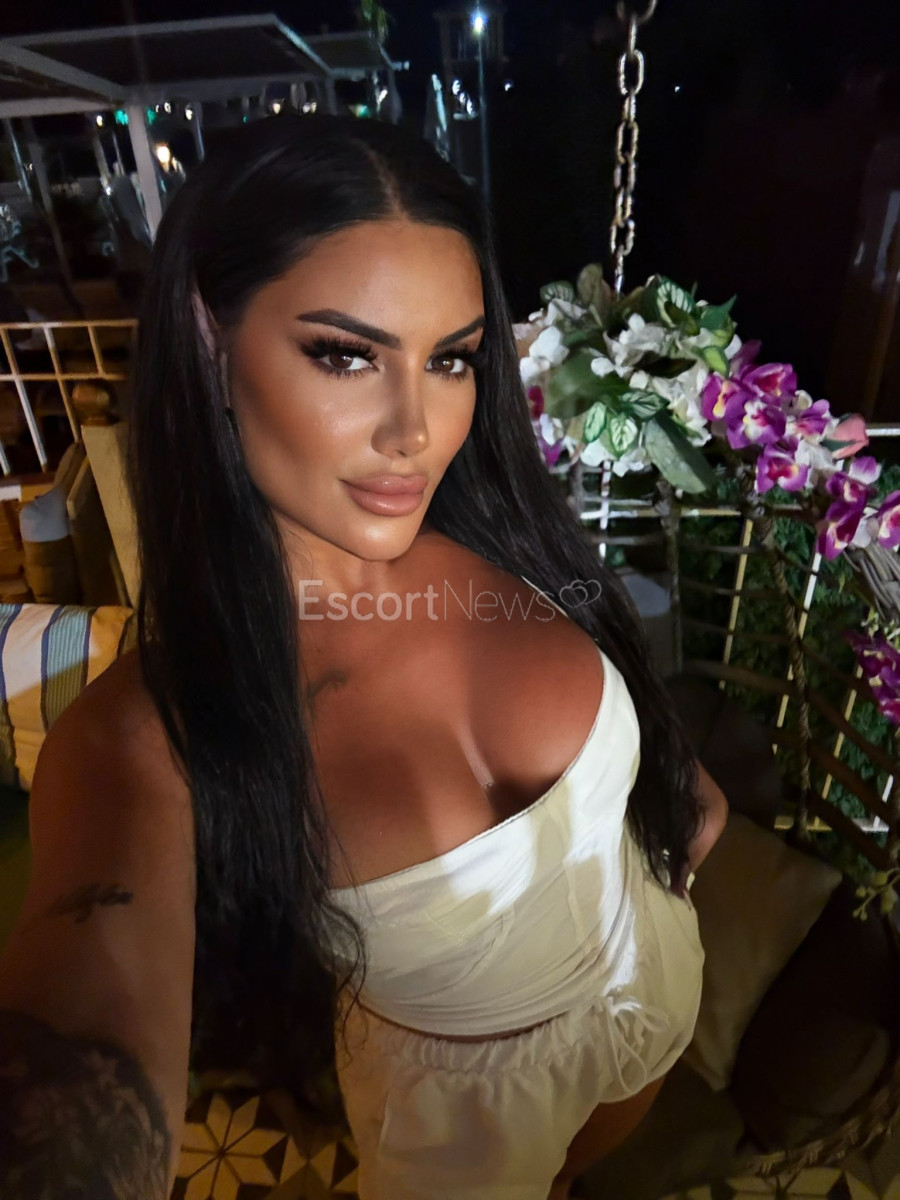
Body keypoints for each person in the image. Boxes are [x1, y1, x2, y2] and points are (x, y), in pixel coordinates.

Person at [0, 113, 727, 1199]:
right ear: (208, 340)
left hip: (653, 989)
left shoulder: (508, 536)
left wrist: (675, 792)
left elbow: (627, 694)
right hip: (465, 1133)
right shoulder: (150, 743)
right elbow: (75, 1067)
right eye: (345, 355)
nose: (416, 431)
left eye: (452, 360)